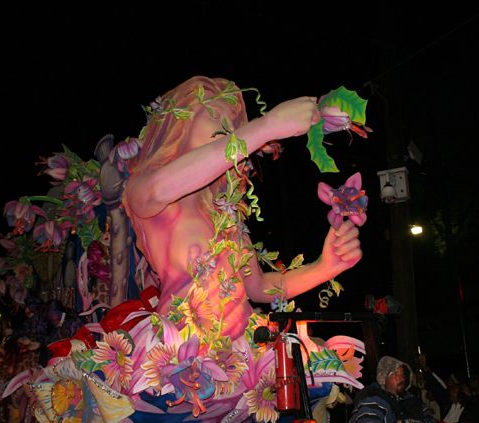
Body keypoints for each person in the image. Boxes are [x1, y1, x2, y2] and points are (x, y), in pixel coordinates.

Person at [122, 76, 363, 341]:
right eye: (217, 117)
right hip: (185, 354)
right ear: (181, 122)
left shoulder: (225, 211)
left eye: (234, 125)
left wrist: (324, 268)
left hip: (244, 351)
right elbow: (159, 189)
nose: (228, 130)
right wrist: (266, 127)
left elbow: (257, 287)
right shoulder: (144, 190)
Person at [350, 356, 439, 423]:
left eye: (402, 373)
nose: (401, 378)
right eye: (395, 374)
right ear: (384, 378)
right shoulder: (373, 400)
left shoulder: (412, 400)